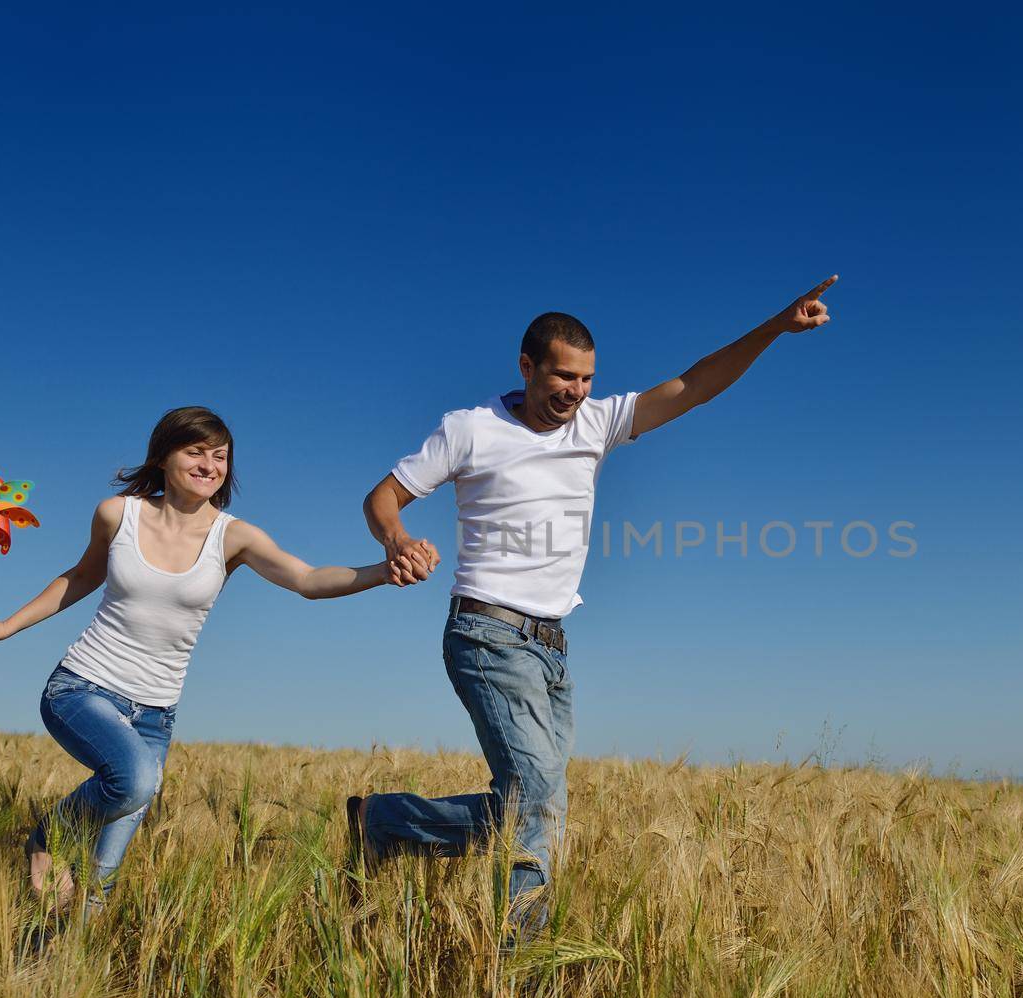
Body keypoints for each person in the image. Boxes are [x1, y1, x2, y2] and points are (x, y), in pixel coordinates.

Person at [347, 275, 837, 934]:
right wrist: (398, 539)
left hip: (553, 649)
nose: (575, 392)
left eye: (585, 379)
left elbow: (694, 385)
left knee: (535, 806)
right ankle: (521, 971)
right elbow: (384, 497)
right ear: (526, 367)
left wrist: (774, 328)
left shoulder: (599, 422)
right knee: (537, 798)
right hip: (485, 632)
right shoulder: (469, 430)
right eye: (562, 377)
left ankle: (381, 824)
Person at [0, 405, 436, 911]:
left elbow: (308, 581)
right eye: (195, 452)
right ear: (163, 457)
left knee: (98, 884)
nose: (209, 465)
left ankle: (49, 966)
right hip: (83, 687)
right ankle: (47, 839)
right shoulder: (119, 514)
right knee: (134, 781)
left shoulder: (234, 536)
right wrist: (5, 627)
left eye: (220, 456)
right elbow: (81, 577)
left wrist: (383, 570)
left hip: (155, 716)